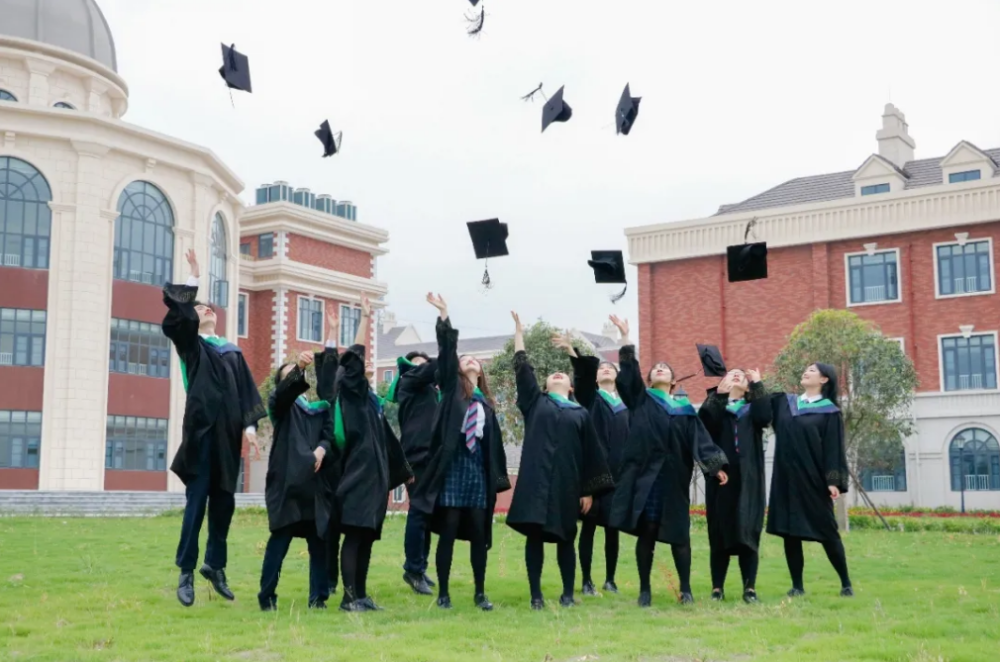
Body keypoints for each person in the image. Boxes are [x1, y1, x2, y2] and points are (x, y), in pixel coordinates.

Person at [163, 249, 266, 607]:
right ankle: (186, 572)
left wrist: (250, 432)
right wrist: (193, 279)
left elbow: (245, 394)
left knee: (224, 503)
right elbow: (178, 319)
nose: (209, 310)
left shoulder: (233, 353)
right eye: (202, 308)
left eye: (211, 308)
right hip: (201, 435)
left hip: (227, 438)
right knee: (196, 505)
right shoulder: (192, 347)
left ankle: (215, 566)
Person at [606, 315, 729, 607]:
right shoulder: (641, 400)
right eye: (655, 368)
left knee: (679, 533)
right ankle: (645, 590)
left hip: (674, 478)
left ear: (674, 381)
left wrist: (716, 466)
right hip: (646, 477)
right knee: (647, 531)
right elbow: (629, 376)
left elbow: (701, 440)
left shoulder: (685, 410)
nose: (660, 369)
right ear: (650, 379)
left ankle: (685, 589)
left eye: (665, 368)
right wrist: (626, 338)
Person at [409, 294, 510, 611]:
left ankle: (480, 593)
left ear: (481, 371)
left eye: (474, 361)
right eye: (465, 359)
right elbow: (448, 353)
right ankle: (444, 594)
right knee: (448, 532)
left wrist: (495, 477)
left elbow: (492, 447)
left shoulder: (487, 405)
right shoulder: (452, 390)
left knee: (479, 534)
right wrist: (444, 316)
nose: (469, 361)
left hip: (477, 473)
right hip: (451, 470)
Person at [506, 311, 613, 609]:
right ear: (544, 386)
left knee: (567, 538)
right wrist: (519, 335)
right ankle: (536, 596)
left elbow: (591, 454)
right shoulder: (535, 403)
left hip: (567, 484)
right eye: (551, 374)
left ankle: (568, 594)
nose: (557, 374)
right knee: (535, 537)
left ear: (571, 386)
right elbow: (522, 370)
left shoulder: (580, 413)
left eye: (563, 374)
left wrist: (588, 489)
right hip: (535, 482)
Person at [333, 295, 413, 612]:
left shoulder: (370, 401)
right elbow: (352, 358)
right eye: (359, 366)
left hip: (375, 477)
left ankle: (361, 595)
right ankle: (348, 598)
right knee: (354, 535)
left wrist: (403, 471)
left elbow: (388, 441)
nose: (364, 366)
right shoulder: (350, 393)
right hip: (356, 476)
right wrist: (365, 320)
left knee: (366, 537)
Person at [258, 336, 337, 611]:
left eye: (296, 374)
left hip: (313, 486)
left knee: (319, 544)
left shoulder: (317, 409)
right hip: (287, 484)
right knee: (279, 541)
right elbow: (283, 395)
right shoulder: (280, 407)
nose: (293, 376)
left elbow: (329, 434)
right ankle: (266, 596)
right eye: (288, 374)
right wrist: (300, 370)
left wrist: (321, 450)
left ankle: (318, 599)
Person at [767, 363, 853, 598]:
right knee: (790, 532)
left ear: (824, 380)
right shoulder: (786, 403)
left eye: (812, 370)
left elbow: (834, 449)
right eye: (804, 369)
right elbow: (762, 409)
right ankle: (797, 586)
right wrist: (754, 383)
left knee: (827, 531)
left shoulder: (830, 412)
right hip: (786, 478)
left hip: (813, 479)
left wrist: (833, 481)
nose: (805, 372)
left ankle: (846, 583)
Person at [551, 332, 628, 596]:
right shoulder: (590, 399)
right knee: (590, 528)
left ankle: (610, 578)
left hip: (619, 475)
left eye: (610, 368)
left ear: (616, 377)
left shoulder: (625, 404)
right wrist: (573, 352)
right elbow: (582, 377)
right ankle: (586, 580)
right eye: (602, 368)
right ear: (596, 377)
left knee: (613, 529)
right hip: (593, 475)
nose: (606, 369)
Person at [697, 368, 770, 603]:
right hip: (722, 477)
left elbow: (764, 417)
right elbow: (705, 428)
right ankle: (717, 588)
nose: (736, 375)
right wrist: (718, 395)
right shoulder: (715, 405)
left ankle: (750, 588)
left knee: (749, 529)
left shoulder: (752, 409)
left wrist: (757, 383)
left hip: (750, 478)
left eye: (741, 375)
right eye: (730, 374)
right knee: (719, 530)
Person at [388, 347, 440, 596]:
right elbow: (434, 367)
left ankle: (420, 567)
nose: (422, 366)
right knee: (419, 510)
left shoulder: (430, 389)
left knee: (427, 515)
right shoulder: (410, 380)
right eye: (417, 363)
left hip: (431, 457)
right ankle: (412, 569)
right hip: (417, 455)